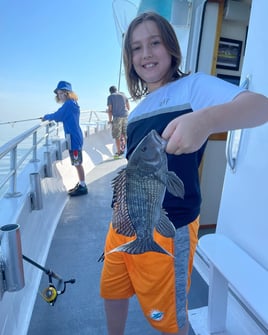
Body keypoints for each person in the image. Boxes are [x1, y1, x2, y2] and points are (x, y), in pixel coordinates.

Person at [100, 12, 268, 335]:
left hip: (167, 225)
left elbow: (260, 106)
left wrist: (205, 121)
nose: (146, 54)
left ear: (172, 48)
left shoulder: (193, 87)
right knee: (113, 288)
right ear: (129, 59)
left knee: (171, 321)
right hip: (122, 221)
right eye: (136, 48)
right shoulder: (137, 112)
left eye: (154, 43)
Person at [42, 81, 88, 197]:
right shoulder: (72, 103)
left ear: (67, 93)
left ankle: (83, 186)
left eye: (60, 93)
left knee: (77, 163)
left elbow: (58, 116)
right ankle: (82, 184)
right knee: (77, 162)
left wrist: (46, 117)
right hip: (75, 136)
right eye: (58, 94)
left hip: (74, 138)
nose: (59, 96)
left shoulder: (69, 104)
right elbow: (62, 115)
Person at [107, 85, 130, 158]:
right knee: (126, 134)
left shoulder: (110, 97)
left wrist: (110, 120)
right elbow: (128, 107)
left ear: (110, 91)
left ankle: (119, 152)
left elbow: (110, 110)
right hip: (126, 116)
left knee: (117, 136)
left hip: (117, 117)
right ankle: (128, 150)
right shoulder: (123, 95)